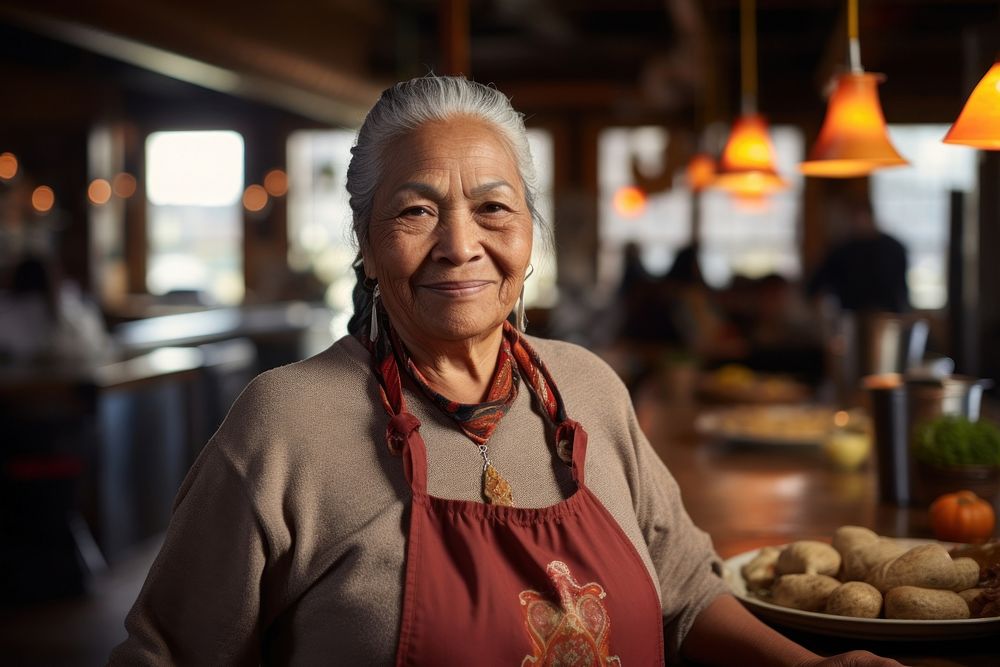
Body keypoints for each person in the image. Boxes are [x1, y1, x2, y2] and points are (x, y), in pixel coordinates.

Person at [109, 76, 901, 666]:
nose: (460, 244)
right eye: (416, 210)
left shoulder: (589, 388)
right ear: (367, 239)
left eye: (493, 208)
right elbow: (163, 654)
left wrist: (816, 665)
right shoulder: (285, 423)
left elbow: (687, 596)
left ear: (530, 231)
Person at [806, 195, 910, 314]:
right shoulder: (842, 251)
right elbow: (815, 285)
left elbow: (902, 290)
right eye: (854, 218)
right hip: (851, 318)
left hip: (888, 316)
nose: (858, 223)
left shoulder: (893, 248)